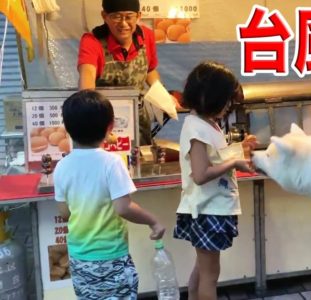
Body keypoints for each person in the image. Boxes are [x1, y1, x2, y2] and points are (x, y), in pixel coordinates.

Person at [54, 90, 166, 299]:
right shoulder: (112, 162)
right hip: (111, 255)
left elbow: (65, 213)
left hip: (79, 258)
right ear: (110, 127)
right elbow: (123, 207)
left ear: (67, 130)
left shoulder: (62, 166)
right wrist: (153, 221)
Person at [173, 61, 257, 300]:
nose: (229, 105)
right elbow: (201, 175)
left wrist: (240, 148)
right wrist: (234, 163)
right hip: (207, 210)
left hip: (209, 208)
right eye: (227, 100)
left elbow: (215, 157)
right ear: (210, 97)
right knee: (210, 275)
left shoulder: (205, 124)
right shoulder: (197, 128)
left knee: (202, 270)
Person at [77, 0, 161, 145]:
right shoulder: (92, 41)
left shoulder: (146, 36)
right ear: (104, 16)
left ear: (138, 16)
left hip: (138, 118)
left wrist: (162, 94)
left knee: (139, 160)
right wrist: (94, 120)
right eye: (116, 16)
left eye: (129, 16)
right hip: (103, 118)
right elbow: (87, 74)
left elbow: (150, 70)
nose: (123, 24)